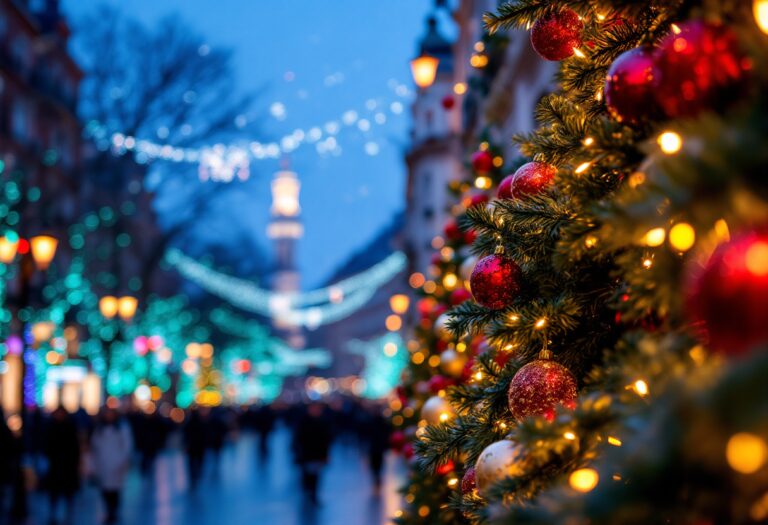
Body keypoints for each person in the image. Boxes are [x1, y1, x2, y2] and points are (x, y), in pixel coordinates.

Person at [90, 408, 132, 524]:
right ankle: (108, 510)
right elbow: (95, 445)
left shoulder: (122, 428)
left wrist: (122, 461)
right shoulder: (99, 429)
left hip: (117, 463)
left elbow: (127, 446)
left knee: (115, 490)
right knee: (105, 489)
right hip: (102, 463)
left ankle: (113, 511)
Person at [43, 407, 81, 524]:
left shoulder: (69, 427)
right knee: (54, 492)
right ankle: (54, 513)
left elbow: (75, 447)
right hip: (56, 466)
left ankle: (67, 513)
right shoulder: (51, 427)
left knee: (67, 492)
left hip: (67, 466)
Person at [294, 403, 332, 505]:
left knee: (316, 475)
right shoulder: (304, 421)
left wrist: (326, 454)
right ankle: (308, 490)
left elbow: (327, 439)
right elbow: (298, 438)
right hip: (306, 453)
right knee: (307, 473)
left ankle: (313, 494)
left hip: (318, 453)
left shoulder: (323, 422)